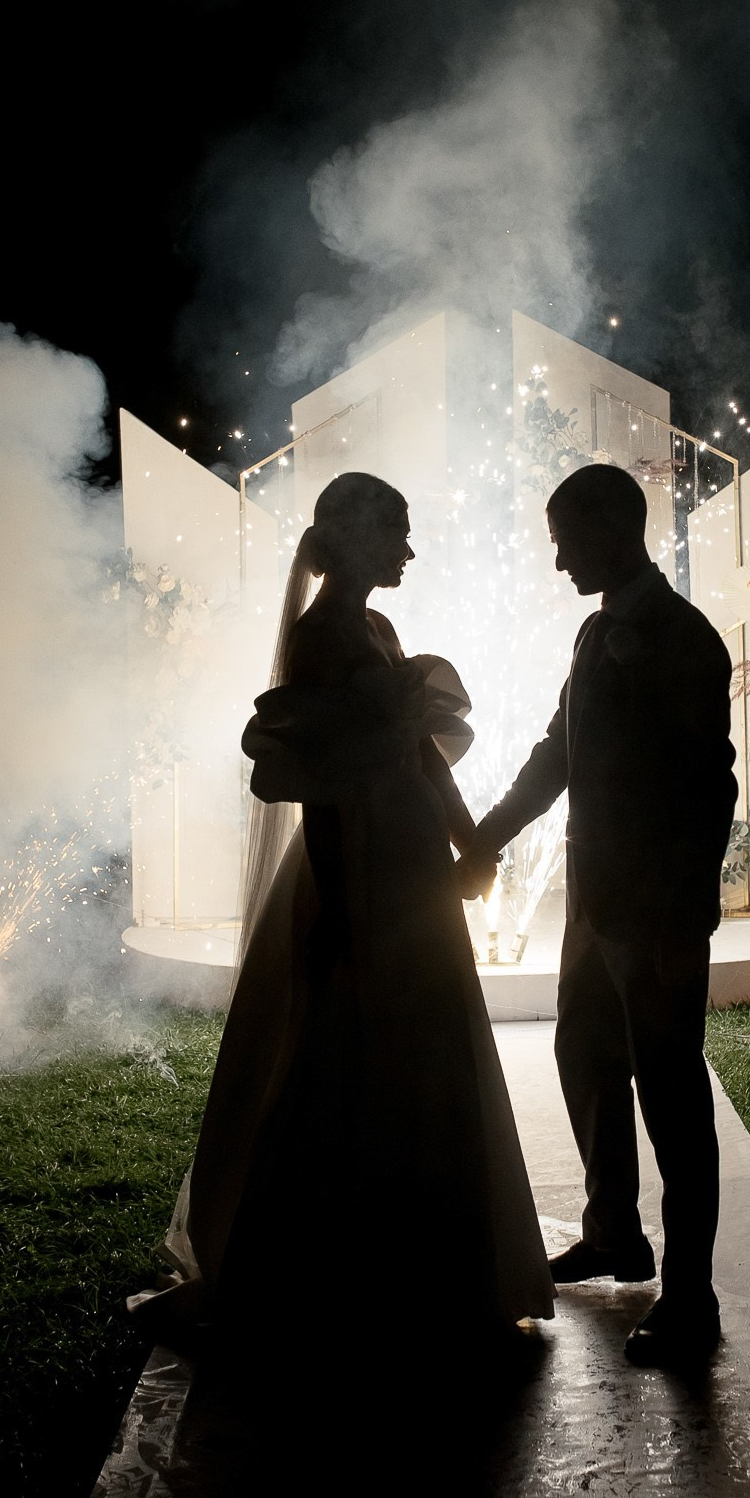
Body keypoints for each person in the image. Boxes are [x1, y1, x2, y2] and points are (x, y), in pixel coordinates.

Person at [133, 472, 553, 1348]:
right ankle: (342, 1273)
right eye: (397, 531)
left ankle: (438, 1265)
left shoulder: (375, 628)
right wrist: (342, 904)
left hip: (407, 856)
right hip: (359, 863)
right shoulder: (320, 637)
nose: (408, 548)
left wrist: (469, 843)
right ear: (356, 538)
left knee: (431, 1040)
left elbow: (423, 757)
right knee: (351, 1048)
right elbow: (318, 790)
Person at [458, 463, 737, 1366]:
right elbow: (558, 751)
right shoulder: (593, 633)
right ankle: (615, 1233)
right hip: (594, 907)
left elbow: (711, 787)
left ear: (616, 531)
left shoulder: (685, 638)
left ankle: (692, 1297)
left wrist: (679, 913)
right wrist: (489, 835)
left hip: (654, 916)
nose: (557, 561)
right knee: (582, 1057)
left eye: (566, 541)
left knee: (672, 1095)